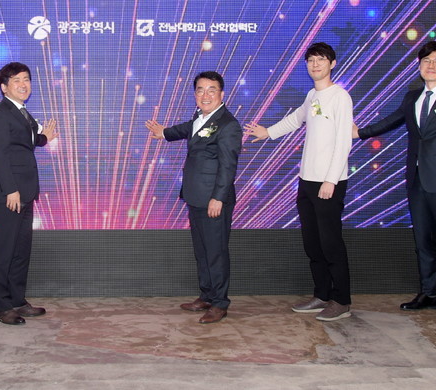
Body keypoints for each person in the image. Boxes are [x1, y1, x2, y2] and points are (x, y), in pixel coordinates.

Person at [354, 41, 436, 323]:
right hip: (417, 181)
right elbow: (392, 120)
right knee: (422, 241)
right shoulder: (412, 97)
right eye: (426, 61)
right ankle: (429, 294)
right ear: (419, 66)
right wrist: (360, 132)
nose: (430, 66)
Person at [244, 42, 353, 321]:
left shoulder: (340, 97)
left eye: (321, 59)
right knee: (312, 243)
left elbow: (344, 142)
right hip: (307, 181)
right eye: (311, 60)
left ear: (332, 63)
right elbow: (295, 119)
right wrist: (268, 132)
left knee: (331, 243)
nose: (315, 64)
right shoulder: (312, 95)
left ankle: (341, 301)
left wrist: (330, 180)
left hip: (328, 182)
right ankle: (322, 294)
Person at [145, 71, 241, 324]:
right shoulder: (200, 117)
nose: (205, 95)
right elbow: (187, 129)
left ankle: (220, 303)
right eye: (200, 90)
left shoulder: (228, 125)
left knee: (216, 252)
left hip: (214, 201)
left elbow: (228, 166)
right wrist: (164, 132)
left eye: (211, 90)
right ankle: (207, 295)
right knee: (202, 250)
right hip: (196, 196)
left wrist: (218, 198)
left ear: (222, 94)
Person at [0, 62, 57, 325]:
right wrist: (10, 190)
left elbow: (25, 141)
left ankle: (17, 300)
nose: (23, 84)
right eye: (16, 80)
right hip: (8, 195)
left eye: (26, 79)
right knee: (4, 251)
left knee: (20, 251)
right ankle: (1, 307)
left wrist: (44, 138)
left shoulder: (22, 113)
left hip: (25, 193)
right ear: (4, 87)